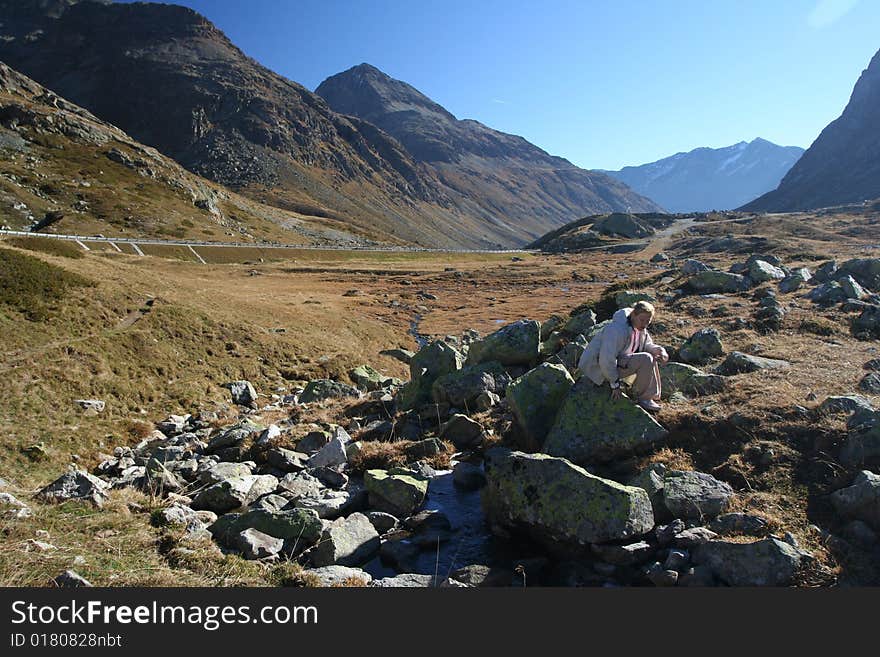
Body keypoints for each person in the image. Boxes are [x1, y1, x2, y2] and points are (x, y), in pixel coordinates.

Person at [577, 300, 669, 412]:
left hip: (619, 363)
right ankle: (643, 398)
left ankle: (650, 395)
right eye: (642, 320)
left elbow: (647, 345)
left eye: (648, 322)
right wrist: (614, 385)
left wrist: (660, 351)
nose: (644, 324)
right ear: (634, 314)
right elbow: (606, 359)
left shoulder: (639, 327)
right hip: (598, 369)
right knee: (646, 358)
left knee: (652, 356)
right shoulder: (617, 329)